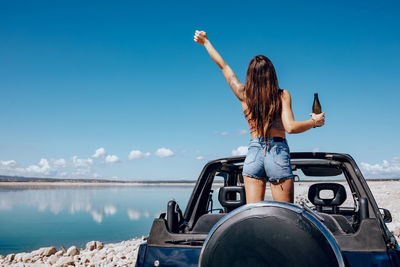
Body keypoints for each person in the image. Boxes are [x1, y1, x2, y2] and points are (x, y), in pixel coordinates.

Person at [194, 30, 325, 204]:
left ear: (250, 75)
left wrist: (206, 43)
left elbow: (224, 67)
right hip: (277, 152)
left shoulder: (243, 94)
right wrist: (314, 122)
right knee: (284, 216)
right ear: (272, 74)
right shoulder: (282, 95)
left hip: (254, 153)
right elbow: (291, 127)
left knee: (254, 215)